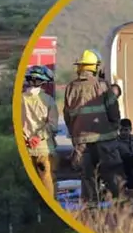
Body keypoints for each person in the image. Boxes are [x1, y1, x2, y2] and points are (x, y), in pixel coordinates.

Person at [62, 49, 124, 202]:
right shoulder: (101, 85)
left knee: (88, 176)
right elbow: (113, 110)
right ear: (95, 67)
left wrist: (75, 135)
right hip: (105, 138)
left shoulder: (70, 88)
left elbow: (67, 114)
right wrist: (115, 126)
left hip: (82, 141)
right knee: (111, 172)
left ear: (80, 67)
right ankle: (121, 205)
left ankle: (91, 210)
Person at [21, 65, 59, 195]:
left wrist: (27, 138)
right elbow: (53, 125)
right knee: (47, 180)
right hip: (44, 148)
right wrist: (37, 137)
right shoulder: (48, 100)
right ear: (43, 82)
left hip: (25, 148)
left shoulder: (20, 99)